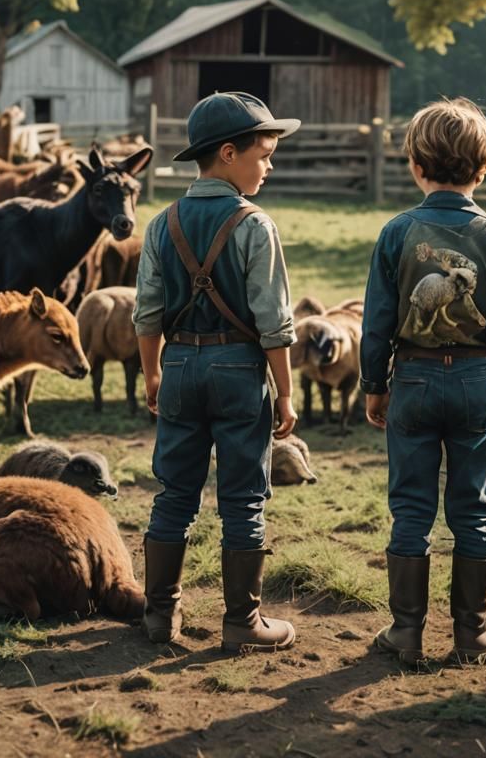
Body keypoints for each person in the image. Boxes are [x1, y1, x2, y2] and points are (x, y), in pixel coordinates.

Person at [361, 97, 486, 665]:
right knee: (473, 507)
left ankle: (405, 632)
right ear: (484, 167)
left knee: (410, 506)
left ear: (415, 163)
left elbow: (378, 318)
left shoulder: (396, 232)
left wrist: (373, 384)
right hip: (478, 381)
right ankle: (472, 630)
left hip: (411, 378)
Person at [133, 90, 301, 651]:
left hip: (178, 365)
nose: (269, 167)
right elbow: (274, 320)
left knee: (173, 492)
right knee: (244, 497)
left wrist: (153, 373)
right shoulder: (256, 226)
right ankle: (242, 623)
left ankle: (159, 617)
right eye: (264, 155)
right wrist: (285, 392)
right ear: (228, 153)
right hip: (237, 369)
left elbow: (146, 312)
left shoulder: (161, 223)